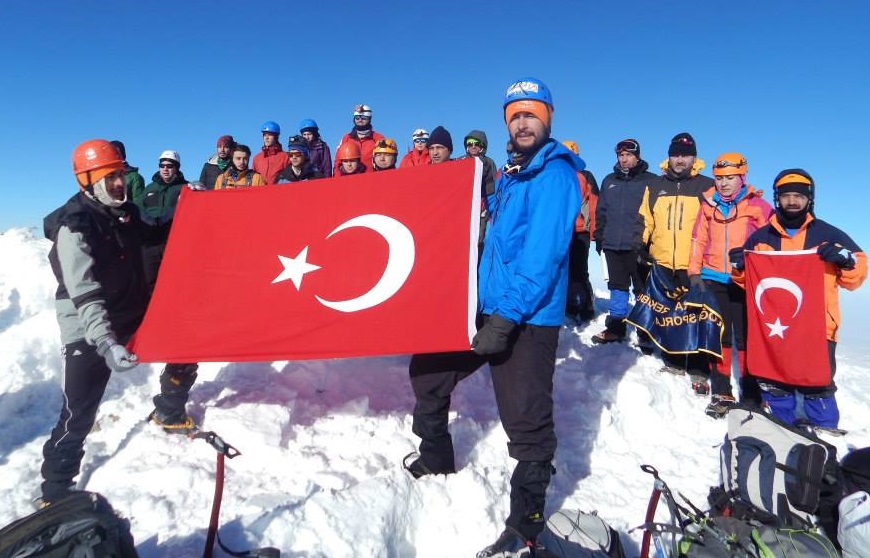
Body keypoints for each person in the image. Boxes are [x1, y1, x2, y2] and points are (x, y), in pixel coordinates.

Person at [404, 78, 582, 556]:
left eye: (531, 115)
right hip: (486, 306)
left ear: (547, 118)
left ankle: (525, 525)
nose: (522, 123)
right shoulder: (510, 174)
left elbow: (541, 256)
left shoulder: (556, 174)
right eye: (515, 116)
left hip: (528, 318)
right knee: (429, 370)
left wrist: (505, 319)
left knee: (527, 421)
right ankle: (436, 456)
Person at [40, 140, 153, 505]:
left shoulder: (125, 213)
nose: (120, 183)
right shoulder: (75, 227)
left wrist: (194, 206)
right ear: (86, 181)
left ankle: (170, 405)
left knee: (185, 338)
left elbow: (158, 236)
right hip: (88, 325)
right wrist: (105, 342)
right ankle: (55, 490)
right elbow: (84, 292)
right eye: (110, 176)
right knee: (79, 412)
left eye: (121, 174)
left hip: (127, 310)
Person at [730, 169, 866, 428]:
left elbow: (856, 276)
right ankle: (783, 430)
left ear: (809, 199)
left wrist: (846, 261)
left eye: (798, 196)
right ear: (777, 198)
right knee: (775, 380)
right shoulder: (761, 238)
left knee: (819, 383)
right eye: (786, 195)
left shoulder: (829, 235)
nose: (792, 201)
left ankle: (825, 433)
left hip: (818, 327)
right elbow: (750, 285)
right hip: (775, 326)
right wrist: (739, 268)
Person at [689, 153, 773, 418]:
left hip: (746, 279)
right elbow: (698, 239)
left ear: (742, 177)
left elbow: (770, 241)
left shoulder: (758, 205)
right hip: (713, 277)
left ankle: (751, 393)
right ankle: (722, 390)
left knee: (747, 337)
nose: (724, 183)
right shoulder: (707, 204)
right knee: (720, 334)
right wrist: (694, 272)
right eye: (719, 178)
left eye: (730, 178)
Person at [640, 132, 714, 392]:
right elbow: (646, 220)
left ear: (694, 157)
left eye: (685, 155)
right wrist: (643, 245)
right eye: (675, 154)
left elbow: (715, 224)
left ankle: (697, 366)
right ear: (668, 157)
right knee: (668, 313)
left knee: (695, 315)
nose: (680, 160)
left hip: (694, 264)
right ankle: (672, 360)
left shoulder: (707, 186)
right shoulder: (655, 186)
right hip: (662, 261)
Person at [136, 150, 203, 433]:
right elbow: (138, 212)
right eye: (163, 165)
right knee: (151, 288)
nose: (166, 169)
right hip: (150, 247)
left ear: (177, 168)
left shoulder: (184, 190)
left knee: (174, 287)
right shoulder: (148, 191)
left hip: (175, 247)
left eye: (171, 165)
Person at [592, 139, 656, 343]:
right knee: (617, 288)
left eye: (629, 154)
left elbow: (655, 214)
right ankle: (616, 329)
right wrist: (599, 237)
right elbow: (601, 212)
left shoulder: (651, 181)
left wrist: (648, 245)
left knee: (641, 291)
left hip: (637, 246)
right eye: (621, 155)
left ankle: (645, 332)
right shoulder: (609, 180)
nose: (624, 158)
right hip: (612, 245)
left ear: (637, 156)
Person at [562, 140, 600, 323]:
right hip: (560, 232)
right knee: (563, 271)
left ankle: (586, 306)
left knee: (580, 271)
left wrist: (594, 231)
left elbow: (594, 204)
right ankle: (568, 305)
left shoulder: (585, 175)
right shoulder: (557, 175)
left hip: (579, 231)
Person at [461, 131, 497, 254]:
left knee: (478, 239)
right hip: (463, 207)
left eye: (477, 144)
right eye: (470, 144)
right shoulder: (460, 161)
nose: (473, 146)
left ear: (482, 146)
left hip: (481, 207)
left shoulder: (487, 162)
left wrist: (491, 209)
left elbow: (491, 187)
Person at [333, 104, 384, 175]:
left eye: (363, 118)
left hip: (371, 179)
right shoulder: (346, 138)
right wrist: (338, 179)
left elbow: (385, 162)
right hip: (349, 180)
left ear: (369, 119)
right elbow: (337, 162)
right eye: (357, 118)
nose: (360, 120)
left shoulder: (378, 138)